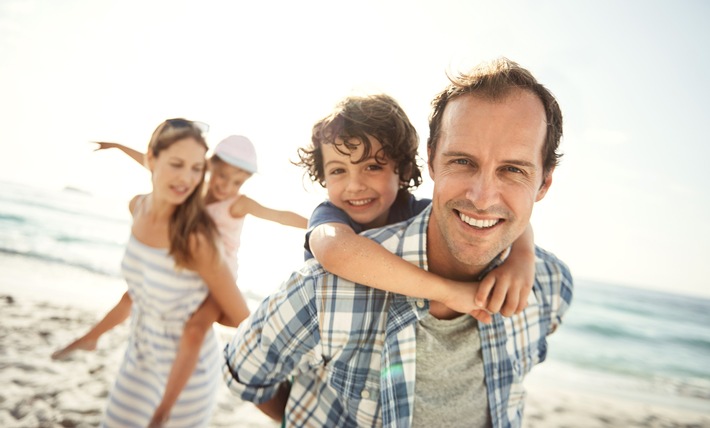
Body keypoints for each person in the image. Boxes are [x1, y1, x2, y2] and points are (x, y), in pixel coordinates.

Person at [223, 57, 573, 427]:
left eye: (513, 169)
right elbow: (245, 371)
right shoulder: (322, 280)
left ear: (544, 183)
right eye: (463, 162)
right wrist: (449, 292)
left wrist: (522, 257)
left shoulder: (548, 285)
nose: (482, 197)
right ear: (433, 162)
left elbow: (506, 223)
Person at [52, 133, 307, 426]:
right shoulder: (191, 189)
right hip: (187, 271)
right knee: (132, 296)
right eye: (222, 176)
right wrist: (119, 147)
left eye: (237, 182)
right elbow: (156, 167)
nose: (227, 186)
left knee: (196, 328)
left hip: (218, 279)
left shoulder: (237, 204)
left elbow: (278, 216)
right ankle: (90, 338)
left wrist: (317, 222)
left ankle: (165, 409)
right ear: (208, 166)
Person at [296, 94, 536, 320]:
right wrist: (449, 292)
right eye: (338, 171)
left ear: (404, 170)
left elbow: (492, 214)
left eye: (372, 167)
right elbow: (334, 252)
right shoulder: (329, 214)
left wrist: (522, 260)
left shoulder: (418, 212)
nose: (355, 185)